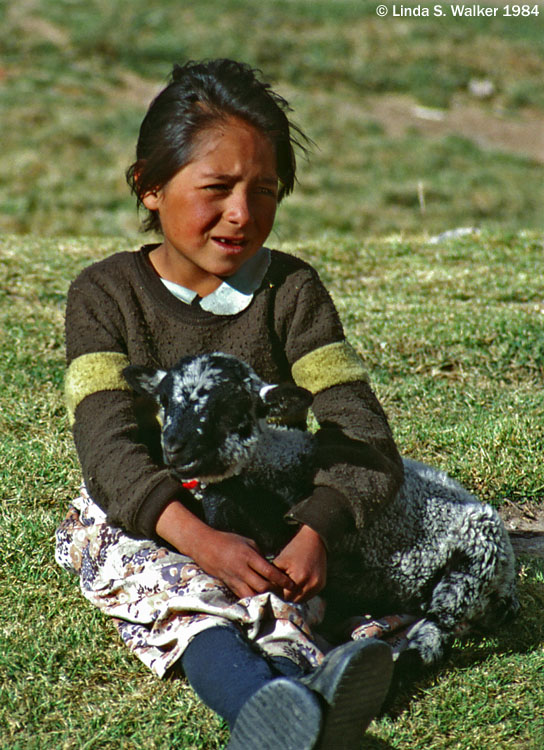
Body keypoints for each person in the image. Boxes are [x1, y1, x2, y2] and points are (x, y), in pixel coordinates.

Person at [56, 58, 406, 749]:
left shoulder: (293, 292)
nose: (242, 215)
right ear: (148, 187)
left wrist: (316, 529)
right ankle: (258, 702)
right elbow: (107, 443)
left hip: (272, 517)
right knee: (182, 595)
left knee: (290, 591)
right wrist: (197, 538)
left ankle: (298, 700)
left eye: (265, 191)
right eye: (217, 188)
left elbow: (360, 428)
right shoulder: (103, 295)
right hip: (159, 521)